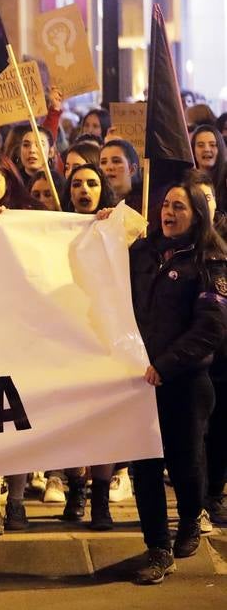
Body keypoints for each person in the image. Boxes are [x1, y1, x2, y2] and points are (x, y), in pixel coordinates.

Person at [126, 178, 227, 585]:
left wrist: (166, 364)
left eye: (179, 207)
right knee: (144, 467)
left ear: (197, 215)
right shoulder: (141, 253)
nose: (168, 212)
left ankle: (189, 517)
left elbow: (212, 327)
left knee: (185, 463)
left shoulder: (210, 263)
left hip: (185, 383)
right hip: (136, 384)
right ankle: (157, 548)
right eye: (166, 204)